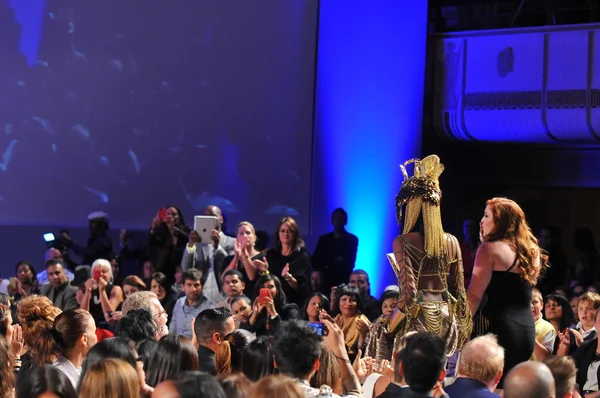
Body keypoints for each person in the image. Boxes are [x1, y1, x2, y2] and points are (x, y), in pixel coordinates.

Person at [391, 155, 471, 357]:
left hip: (419, 317)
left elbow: (408, 294)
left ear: (410, 207)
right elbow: (459, 291)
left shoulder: (403, 241)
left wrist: (389, 326)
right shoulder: (452, 241)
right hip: (446, 316)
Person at [467, 197, 548, 387]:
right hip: (526, 331)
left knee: (488, 388)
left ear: (501, 221)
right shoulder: (532, 250)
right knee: (511, 388)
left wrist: (460, 329)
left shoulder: (488, 249)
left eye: (486, 216)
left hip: (499, 329)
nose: (481, 221)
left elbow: (474, 296)